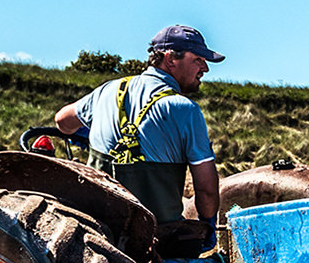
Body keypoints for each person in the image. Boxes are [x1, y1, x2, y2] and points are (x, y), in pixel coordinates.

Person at [52, 25, 223, 238]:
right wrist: (209, 226)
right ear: (170, 59)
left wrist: (87, 132)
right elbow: (206, 190)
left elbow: (62, 121)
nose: (205, 68)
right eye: (198, 59)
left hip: (96, 234)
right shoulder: (185, 110)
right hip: (157, 240)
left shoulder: (108, 90)